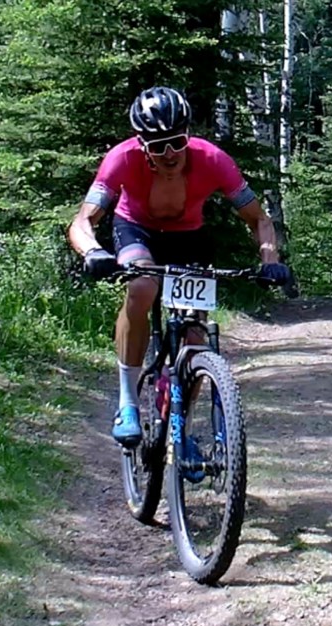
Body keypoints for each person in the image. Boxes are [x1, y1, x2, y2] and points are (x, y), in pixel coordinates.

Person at [68, 86, 290, 448]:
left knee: (196, 336)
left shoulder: (212, 159)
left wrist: (270, 261)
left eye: (176, 141)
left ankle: (179, 427)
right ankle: (127, 402)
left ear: (188, 134)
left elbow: (258, 219)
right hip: (136, 230)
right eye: (157, 146)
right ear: (142, 144)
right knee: (141, 287)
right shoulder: (121, 159)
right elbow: (82, 221)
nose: (169, 153)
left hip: (189, 237)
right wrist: (93, 252)